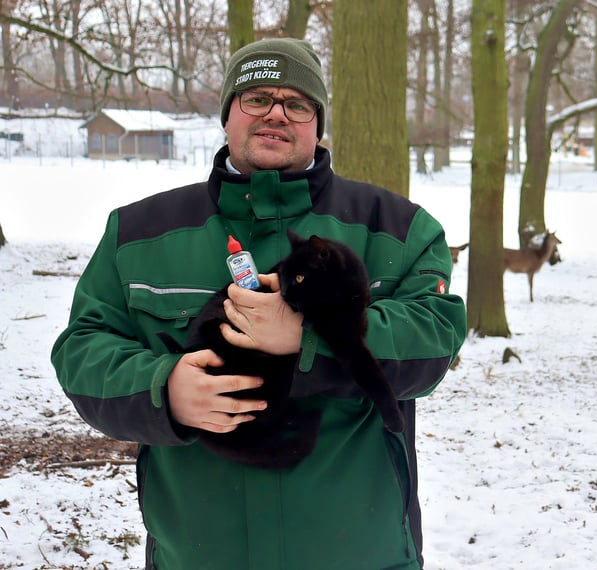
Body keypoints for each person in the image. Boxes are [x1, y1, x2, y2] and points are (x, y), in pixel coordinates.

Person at [51, 37, 466, 569]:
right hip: (196, 556)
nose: (276, 114)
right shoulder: (138, 233)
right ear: (228, 115)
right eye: (257, 99)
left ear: (317, 123)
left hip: (361, 554)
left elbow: (433, 340)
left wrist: (309, 336)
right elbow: (82, 352)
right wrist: (165, 388)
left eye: (296, 104)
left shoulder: (396, 228)